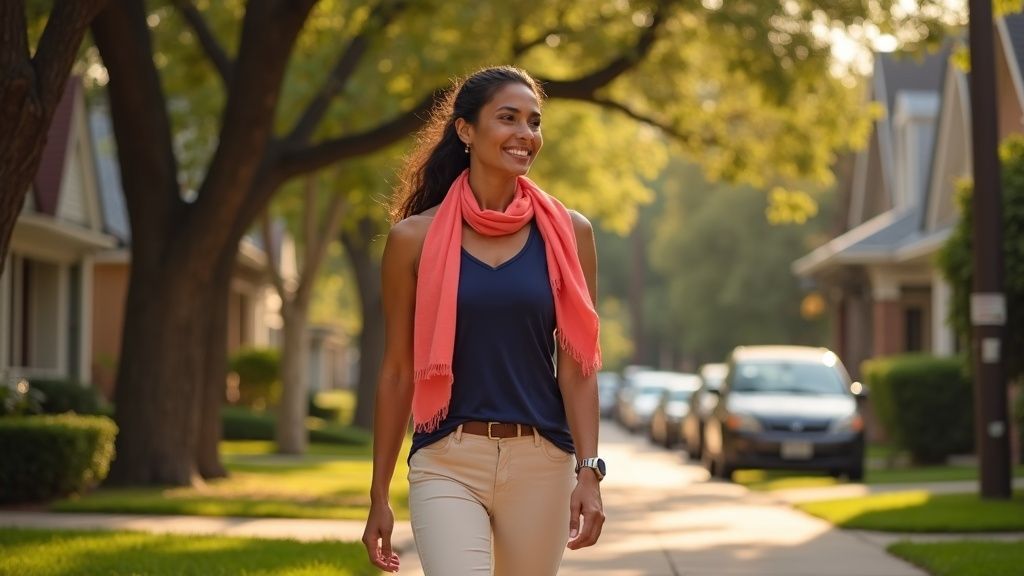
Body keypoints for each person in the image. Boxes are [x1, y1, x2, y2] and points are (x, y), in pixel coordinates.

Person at [362, 65, 606, 576]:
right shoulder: (414, 239)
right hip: (447, 459)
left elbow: (579, 365)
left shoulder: (569, 234)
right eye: (508, 118)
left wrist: (589, 473)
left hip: (542, 461)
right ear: (466, 131)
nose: (525, 134)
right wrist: (378, 495)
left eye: (534, 122)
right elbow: (397, 371)